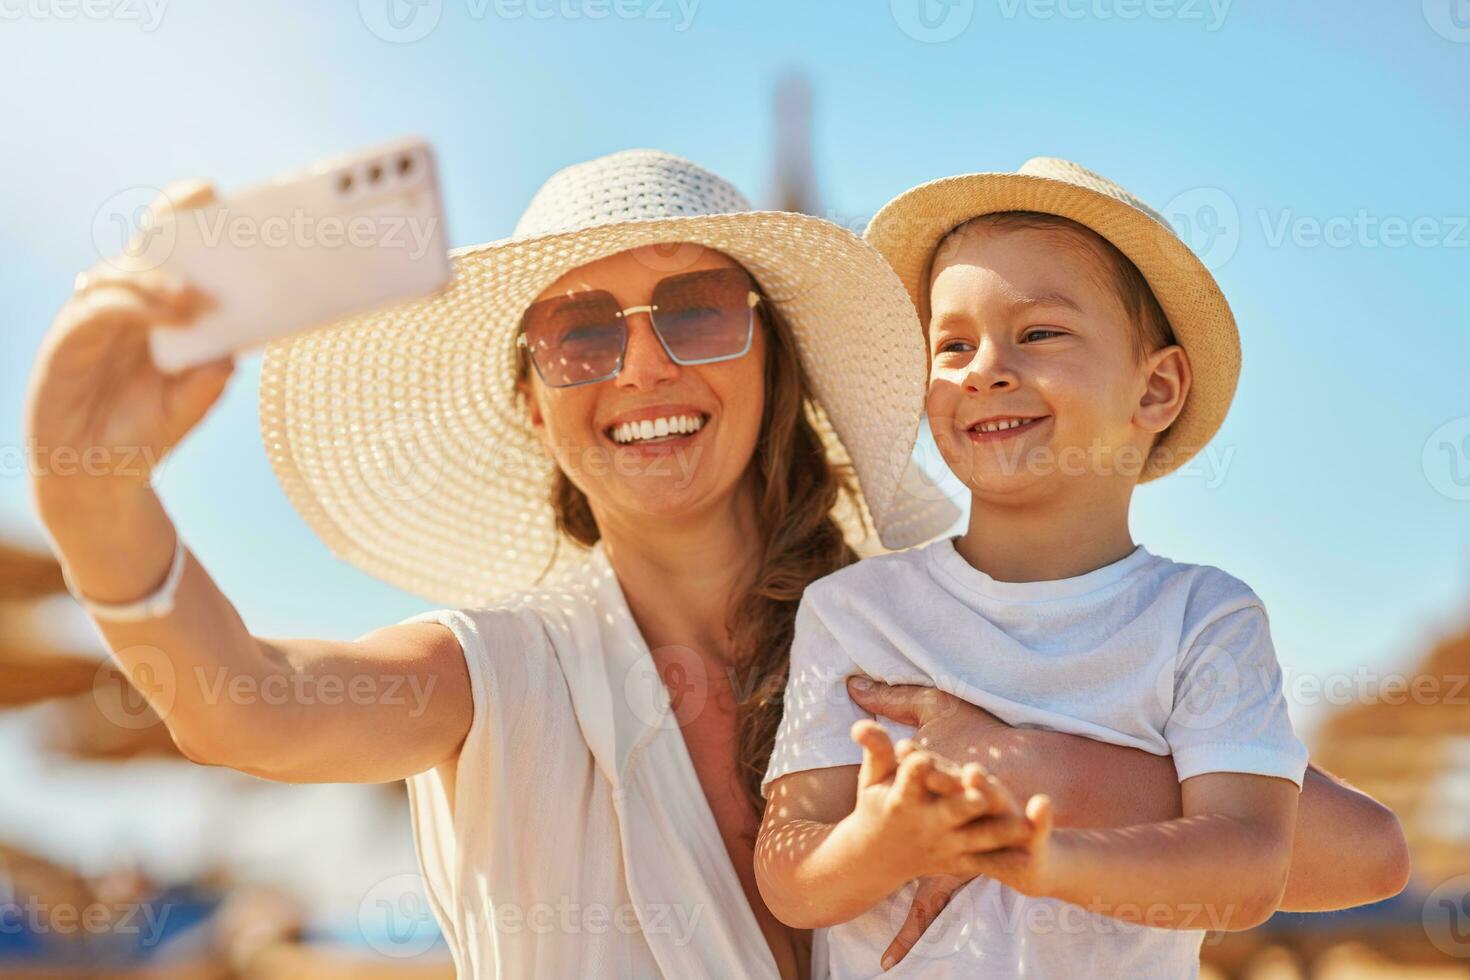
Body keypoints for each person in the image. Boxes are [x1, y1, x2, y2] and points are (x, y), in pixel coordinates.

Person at [24, 150, 1407, 980]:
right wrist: (93, 493)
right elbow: (241, 700)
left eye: (695, 312)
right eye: (579, 334)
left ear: (775, 357)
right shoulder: (501, 671)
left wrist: (1017, 763)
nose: (640, 366)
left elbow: (1348, 854)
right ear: (535, 399)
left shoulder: (949, 606)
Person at [755, 158, 1411, 978]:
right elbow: (789, 874)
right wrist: (878, 843)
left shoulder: (1203, 619)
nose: (983, 367)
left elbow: (1247, 868)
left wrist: (1047, 860)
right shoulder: (855, 613)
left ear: (1157, 389)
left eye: (1038, 333)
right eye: (952, 343)